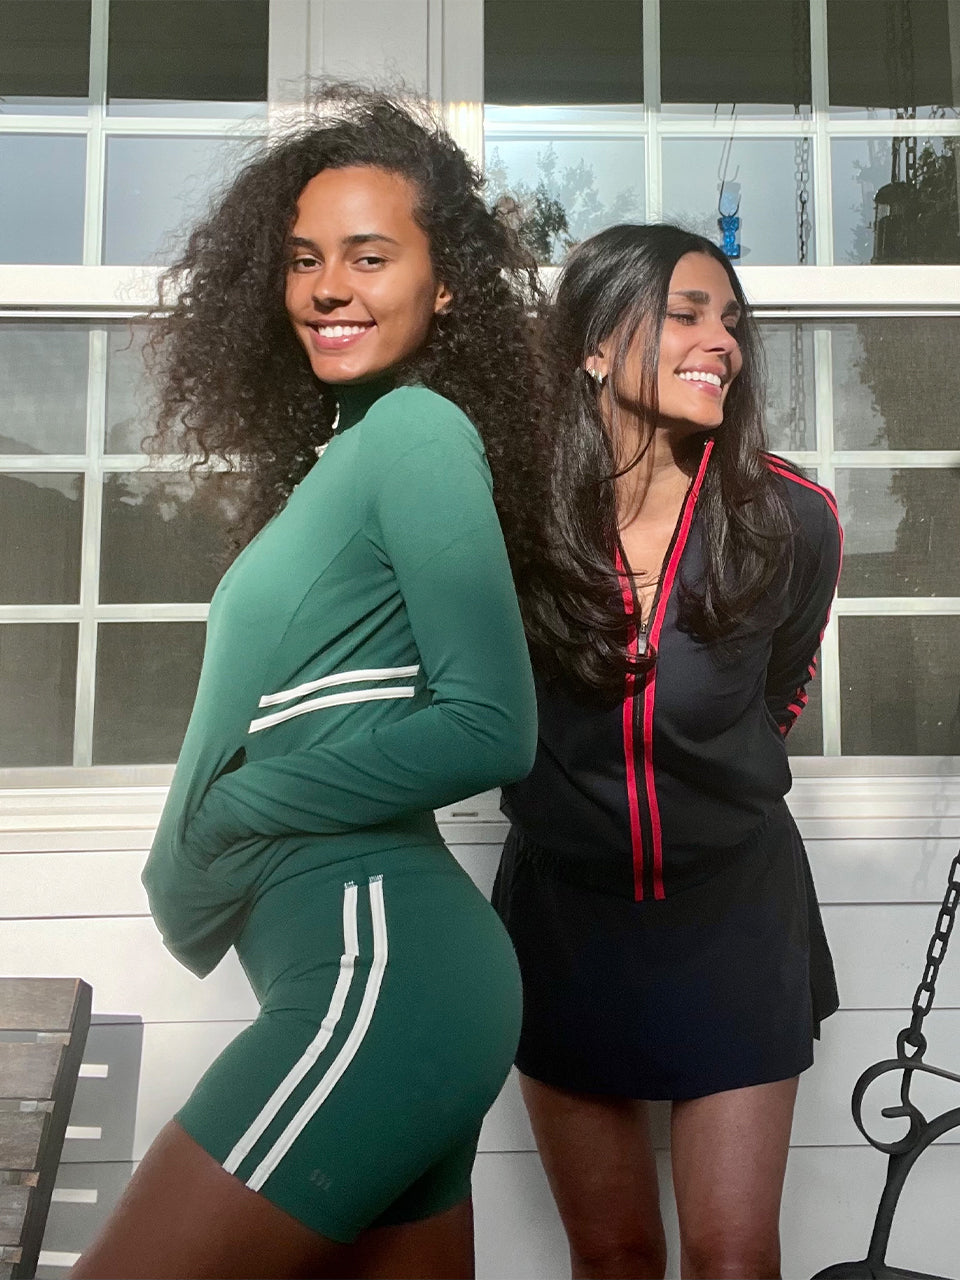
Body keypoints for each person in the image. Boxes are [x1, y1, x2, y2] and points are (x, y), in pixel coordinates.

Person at [72, 86, 542, 1280]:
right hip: (373, 968)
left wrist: (241, 804)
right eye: (303, 259)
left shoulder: (417, 432)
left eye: (370, 256)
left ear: (445, 287)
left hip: (376, 962)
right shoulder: (347, 454)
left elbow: (492, 722)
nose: (328, 286)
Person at [493, 223, 842, 1280]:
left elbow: (778, 688)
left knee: (733, 1256)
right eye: (687, 313)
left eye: (731, 321)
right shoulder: (511, 521)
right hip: (567, 922)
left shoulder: (790, 517)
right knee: (613, 1252)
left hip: (733, 916)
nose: (721, 342)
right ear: (595, 344)